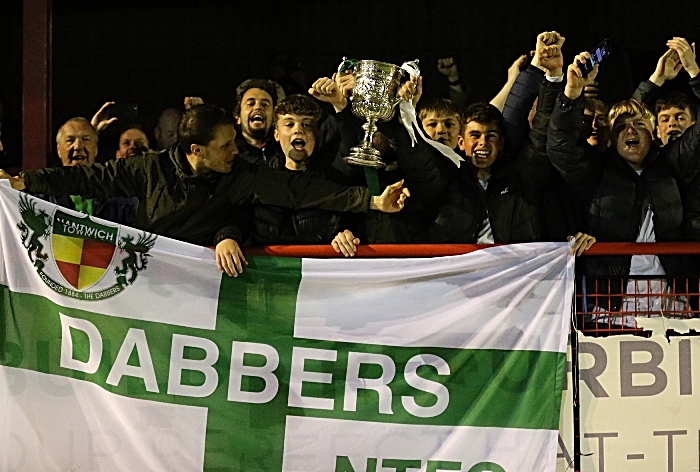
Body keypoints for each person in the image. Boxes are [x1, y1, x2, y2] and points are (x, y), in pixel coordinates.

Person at [0, 104, 409, 276]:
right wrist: (25, 182)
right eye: (225, 145)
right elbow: (89, 179)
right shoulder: (150, 169)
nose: (235, 150)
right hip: (146, 278)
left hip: (200, 290)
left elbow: (298, 190)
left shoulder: (239, 175)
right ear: (196, 150)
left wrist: (370, 201)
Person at [233, 79, 282, 165]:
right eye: (251, 103)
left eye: (264, 104)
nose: (258, 107)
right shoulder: (229, 153)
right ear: (238, 117)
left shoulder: (284, 151)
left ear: (274, 118)